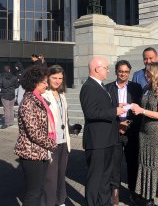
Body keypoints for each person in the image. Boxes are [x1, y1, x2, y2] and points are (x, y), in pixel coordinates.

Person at [80, 57, 127, 206]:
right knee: (95, 178)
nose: (108, 70)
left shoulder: (100, 86)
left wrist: (116, 105)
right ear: (96, 69)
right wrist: (115, 111)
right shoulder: (89, 86)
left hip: (107, 140)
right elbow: (91, 112)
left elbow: (101, 106)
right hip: (97, 141)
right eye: (106, 67)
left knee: (106, 177)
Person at [131, 62, 158, 206]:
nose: (145, 75)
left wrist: (141, 111)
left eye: (148, 73)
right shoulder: (146, 88)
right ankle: (148, 196)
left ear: (155, 73)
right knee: (145, 163)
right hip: (144, 133)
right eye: (145, 73)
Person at [14, 66, 57, 206]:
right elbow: (34, 132)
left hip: (40, 152)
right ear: (35, 82)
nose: (46, 84)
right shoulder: (29, 101)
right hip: (31, 153)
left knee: (37, 191)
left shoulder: (38, 99)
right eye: (44, 82)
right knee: (33, 193)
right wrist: (52, 144)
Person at [106, 60, 143, 205]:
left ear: (130, 72)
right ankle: (114, 191)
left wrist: (127, 124)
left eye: (126, 72)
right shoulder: (107, 88)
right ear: (116, 72)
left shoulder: (136, 88)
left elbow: (138, 110)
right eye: (121, 71)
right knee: (114, 162)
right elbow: (106, 109)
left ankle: (133, 191)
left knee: (133, 162)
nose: (123, 74)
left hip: (131, 131)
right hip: (114, 131)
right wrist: (117, 124)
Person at [42, 65, 77, 206]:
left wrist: (70, 128)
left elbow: (63, 118)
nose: (57, 81)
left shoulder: (62, 95)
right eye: (54, 77)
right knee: (50, 176)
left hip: (63, 141)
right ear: (48, 78)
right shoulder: (44, 94)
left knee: (61, 174)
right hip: (51, 141)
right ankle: (50, 202)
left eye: (60, 78)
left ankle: (61, 201)